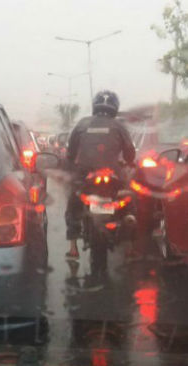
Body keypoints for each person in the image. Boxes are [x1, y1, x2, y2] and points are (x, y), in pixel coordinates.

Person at [65, 90, 136, 259]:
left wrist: (70, 165)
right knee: (128, 198)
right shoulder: (119, 126)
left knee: (74, 201)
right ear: (115, 108)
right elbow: (130, 153)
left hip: (85, 174)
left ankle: (73, 246)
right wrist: (127, 162)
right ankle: (130, 246)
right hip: (113, 174)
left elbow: (70, 151)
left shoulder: (82, 123)